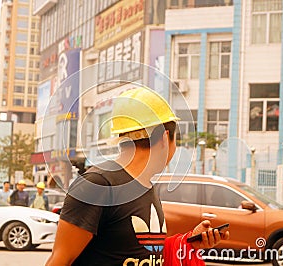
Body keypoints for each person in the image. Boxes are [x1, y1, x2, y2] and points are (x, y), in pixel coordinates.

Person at [45, 87, 229, 265]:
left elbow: (143, 255)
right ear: (165, 138)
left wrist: (190, 242)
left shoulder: (147, 186)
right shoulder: (97, 184)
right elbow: (60, 260)